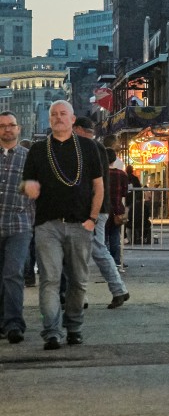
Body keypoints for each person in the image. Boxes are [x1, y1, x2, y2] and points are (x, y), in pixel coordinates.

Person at [22, 101, 105, 350]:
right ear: (49, 120)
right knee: (50, 279)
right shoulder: (37, 150)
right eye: (54, 115)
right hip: (47, 226)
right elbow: (25, 184)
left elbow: (98, 186)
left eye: (63, 114)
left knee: (79, 280)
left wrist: (92, 219)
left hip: (81, 224)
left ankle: (74, 327)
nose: (58, 118)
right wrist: (28, 188)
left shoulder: (88, 147)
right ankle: (52, 332)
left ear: (72, 119)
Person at [73, 117, 129, 309]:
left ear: (79, 129)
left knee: (94, 250)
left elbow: (89, 180)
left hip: (94, 208)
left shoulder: (89, 148)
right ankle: (117, 289)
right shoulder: (97, 148)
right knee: (94, 249)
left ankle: (115, 289)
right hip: (97, 207)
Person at [0, 111, 33, 344]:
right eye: (2, 126)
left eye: (11, 125)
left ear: (18, 129)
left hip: (19, 224)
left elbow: (37, 192)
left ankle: (13, 323)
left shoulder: (29, 158)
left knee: (13, 273)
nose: (7, 129)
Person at [105, 147, 130, 271]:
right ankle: (115, 261)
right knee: (115, 236)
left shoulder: (100, 173)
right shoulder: (122, 174)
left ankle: (105, 261)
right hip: (117, 209)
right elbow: (125, 193)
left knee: (102, 237)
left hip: (102, 209)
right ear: (114, 160)